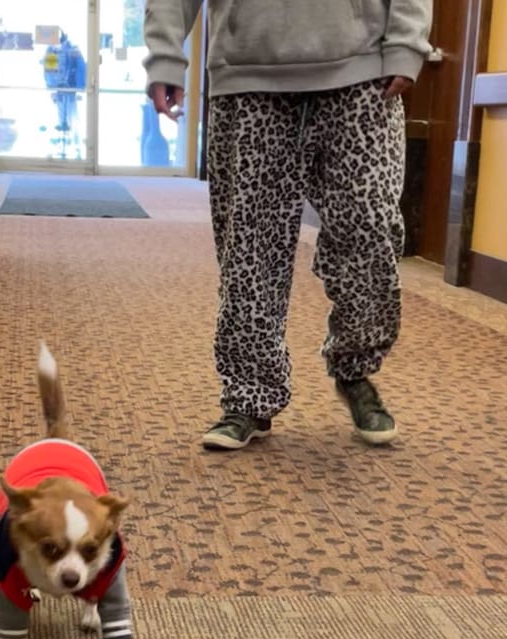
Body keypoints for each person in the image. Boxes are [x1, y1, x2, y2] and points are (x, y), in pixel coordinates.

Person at [143, 1, 432, 449]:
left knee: (370, 229)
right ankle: (249, 397)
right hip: (248, 71)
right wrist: (165, 54)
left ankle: (354, 369)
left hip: (361, 70)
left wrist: (407, 42)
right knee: (249, 248)